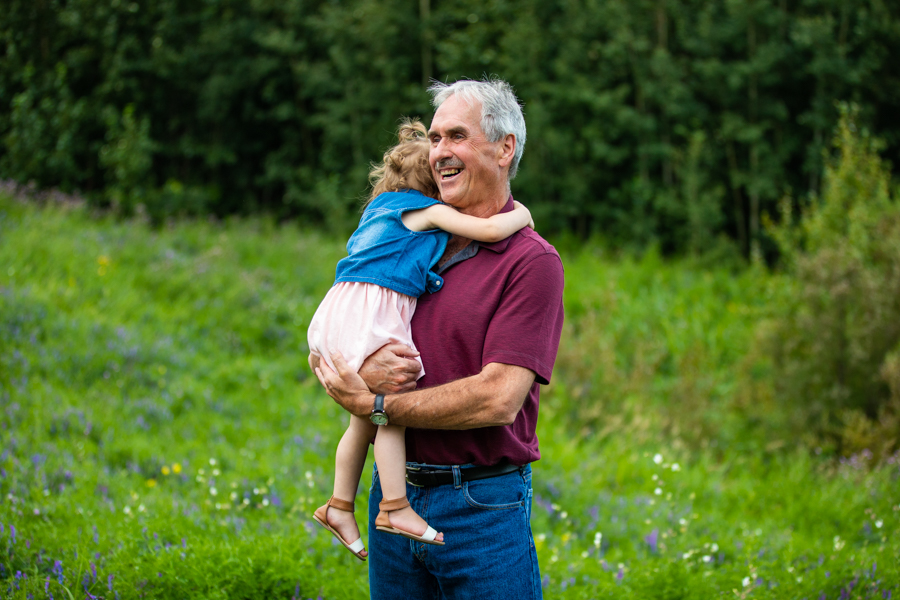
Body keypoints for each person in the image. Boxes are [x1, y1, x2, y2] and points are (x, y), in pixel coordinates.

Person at [313, 78, 565, 599]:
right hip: (393, 494)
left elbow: (499, 398)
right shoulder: (411, 244)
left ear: (504, 147)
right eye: (433, 138)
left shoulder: (530, 261)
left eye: (456, 136)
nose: (439, 152)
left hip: (480, 506)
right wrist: (358, 376)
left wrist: (377, 402)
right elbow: (347, 331)